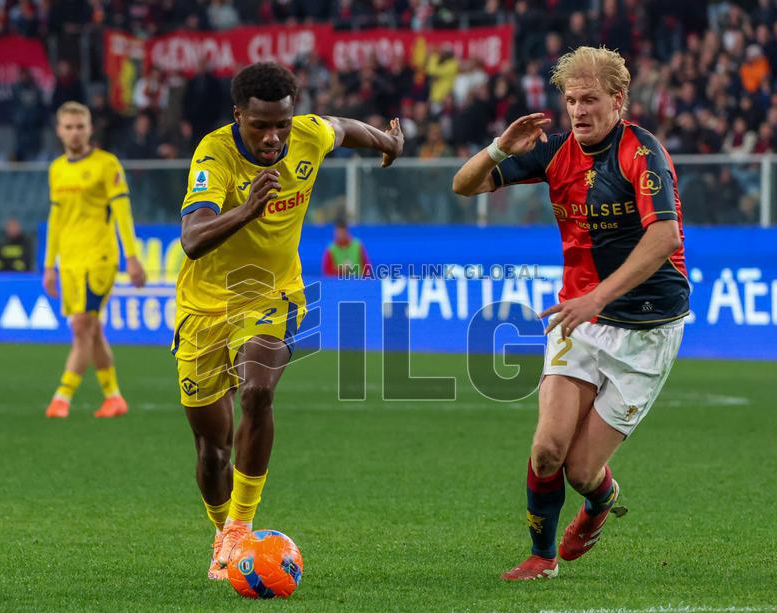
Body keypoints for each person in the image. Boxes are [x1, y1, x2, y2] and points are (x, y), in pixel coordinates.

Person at [452, 46, 688, 581]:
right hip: (579, 316)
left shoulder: (642, 153)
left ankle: (600, 502)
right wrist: (496, 149)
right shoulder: (554, 151)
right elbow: (462, 186)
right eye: (570, 100)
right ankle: (542, 556)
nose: (578, 111)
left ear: (619, 100)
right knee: (546, 450)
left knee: (583, 471)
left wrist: (599, 297)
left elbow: (664, 236)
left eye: (590, 100)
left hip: (647, 326)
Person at [176, 62, 402, 580]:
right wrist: (246, 211)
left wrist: (389, 145)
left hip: (272, 294)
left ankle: (240, 526)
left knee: (257, 392)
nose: (273, 136)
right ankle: (222, 532)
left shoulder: (307, 135)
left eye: (282, 122)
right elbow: (192, 239)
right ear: (239, 116)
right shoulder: (214, 154)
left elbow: (345, 129)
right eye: (260, 125)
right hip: (204, 304)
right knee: (213, 448)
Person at [42, 101, 146, 419]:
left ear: (90, 129)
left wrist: (132, 256)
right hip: (69, 261)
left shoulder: (107, 165)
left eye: (80, 126)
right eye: (69, 127)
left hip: (99, 258)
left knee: (81, 327)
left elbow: (122, 213)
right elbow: (56, 219)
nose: (75, 133)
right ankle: (113, 397)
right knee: (93, 330)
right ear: (59, 131)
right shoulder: (57, 169)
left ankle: (63, 396)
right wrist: (49, 265)